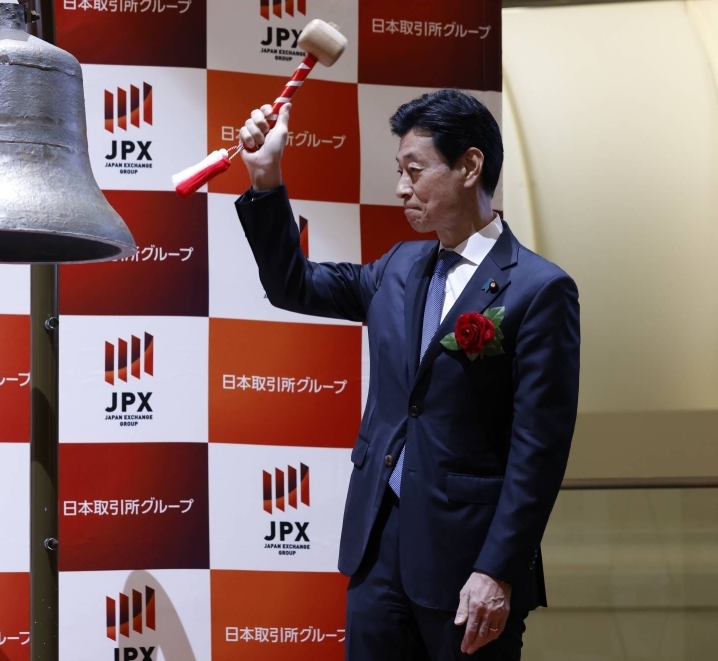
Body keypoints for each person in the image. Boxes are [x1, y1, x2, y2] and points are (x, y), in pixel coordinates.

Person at [233, 89, 580, 660]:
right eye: (399, 171)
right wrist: (266, 178)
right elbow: (293, 284)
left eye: (413, 171)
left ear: (470, 166)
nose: (400, 187)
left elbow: (539, 449)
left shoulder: (540, 289)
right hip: (378, 547)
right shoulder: (397, 266)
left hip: (470, 560)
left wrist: (497, 568)